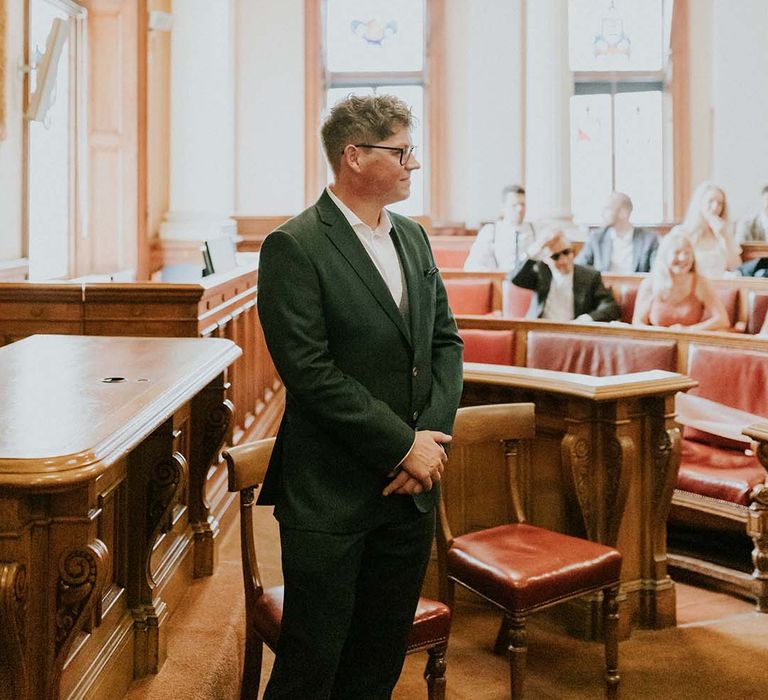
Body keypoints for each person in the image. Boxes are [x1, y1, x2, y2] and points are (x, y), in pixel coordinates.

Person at [256, 94, 464, 700]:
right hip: (333, 494)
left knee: (377, 664)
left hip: (409, 494)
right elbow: (311, 372)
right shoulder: (295, 245)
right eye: (401, 151)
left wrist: (430, 444)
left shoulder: (414, 238)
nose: (412, 164)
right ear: (353, 155)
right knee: (311, 667)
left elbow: (445, 344)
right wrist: (403, 445)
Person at [510, 229, 621, 322]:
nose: (563, 260)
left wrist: (586, 319)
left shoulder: (589, 276)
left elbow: (610, 307)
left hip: (573, 334)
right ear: (545, 259)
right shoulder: (541, 272)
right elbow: (515, 278)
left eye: (566, 252)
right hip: (540, 331)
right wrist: (536, 247)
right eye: (555, 257)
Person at [632, 226, 729, 331]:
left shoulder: (701, 283)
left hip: (690, 342)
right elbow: (638, 323)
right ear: (665, 255)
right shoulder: (650, 284)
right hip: (658, 343)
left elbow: (722, 320)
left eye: (687, 253)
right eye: (677, 252)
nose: (683, 258)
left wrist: (688, 330)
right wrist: (663, 333)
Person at [575, 191, 659, 273]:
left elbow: (657, 271)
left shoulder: (649, 240)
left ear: (623, 212)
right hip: (604, 286)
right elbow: (579, 266)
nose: (602, 214)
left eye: (607, 209)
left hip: (637, 286)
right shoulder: (596, 238)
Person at [464, 184, 535, 271]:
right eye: (514, 205)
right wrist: (495, 273)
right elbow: (471, 266)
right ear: (503, 207)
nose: (520, 209)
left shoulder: (534, 230)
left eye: (522, 204)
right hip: (500, 280)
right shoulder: (490, 231)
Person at [681, 181, 742, 277]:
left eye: (720, 203)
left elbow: (736, 268)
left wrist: (724, 237)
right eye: (711, 201)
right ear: (700, 203)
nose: (715, 207)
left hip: (721, 287)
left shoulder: (726, 233)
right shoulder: (683, 232)